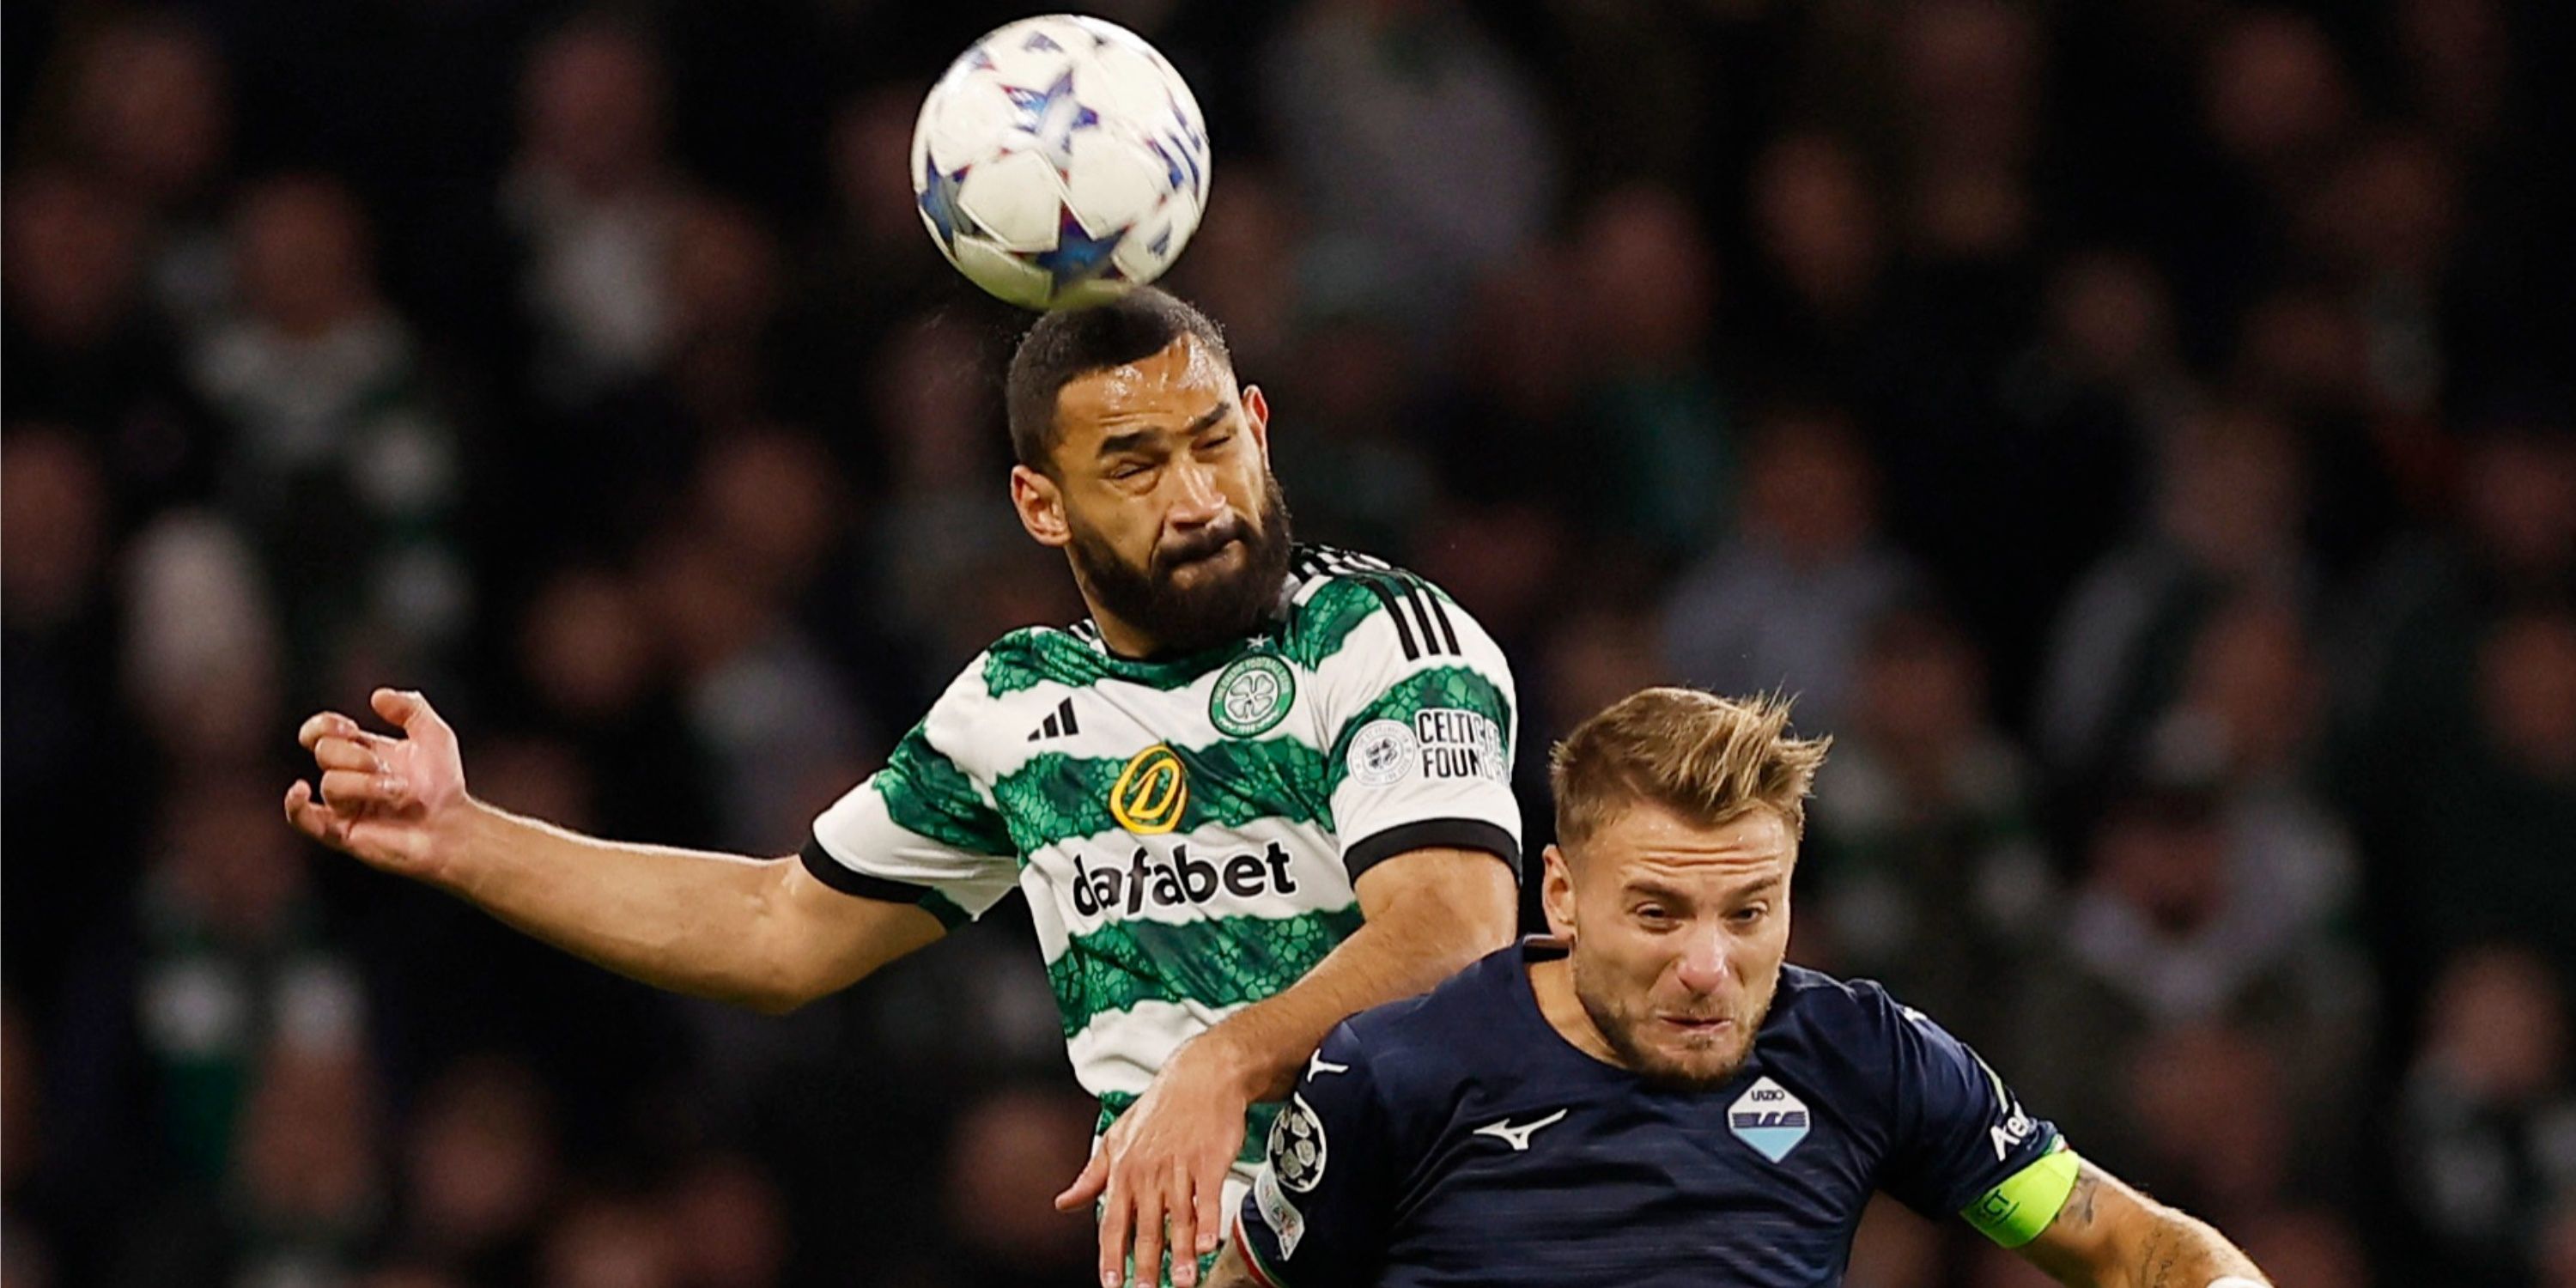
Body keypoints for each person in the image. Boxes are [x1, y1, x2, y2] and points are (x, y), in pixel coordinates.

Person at [283, 288, 1523, 1288]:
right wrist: (464, 839)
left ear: (1258, 424)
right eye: (1135, 467)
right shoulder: (1013, 708)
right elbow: (777, 930)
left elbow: (1454, 928)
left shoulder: (1377, 637)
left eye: (1214, 444)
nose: (1196, 500)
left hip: (1427, 1238)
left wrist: (1223, 1063)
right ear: (1041, 504)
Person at [1212, 688, 2272, 1288]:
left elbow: (2128, 1246)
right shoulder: (1394, 1074)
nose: (1709, 968)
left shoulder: (1865, 1056)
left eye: (1749, 913)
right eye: (1659, 914)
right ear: (1564, 895)